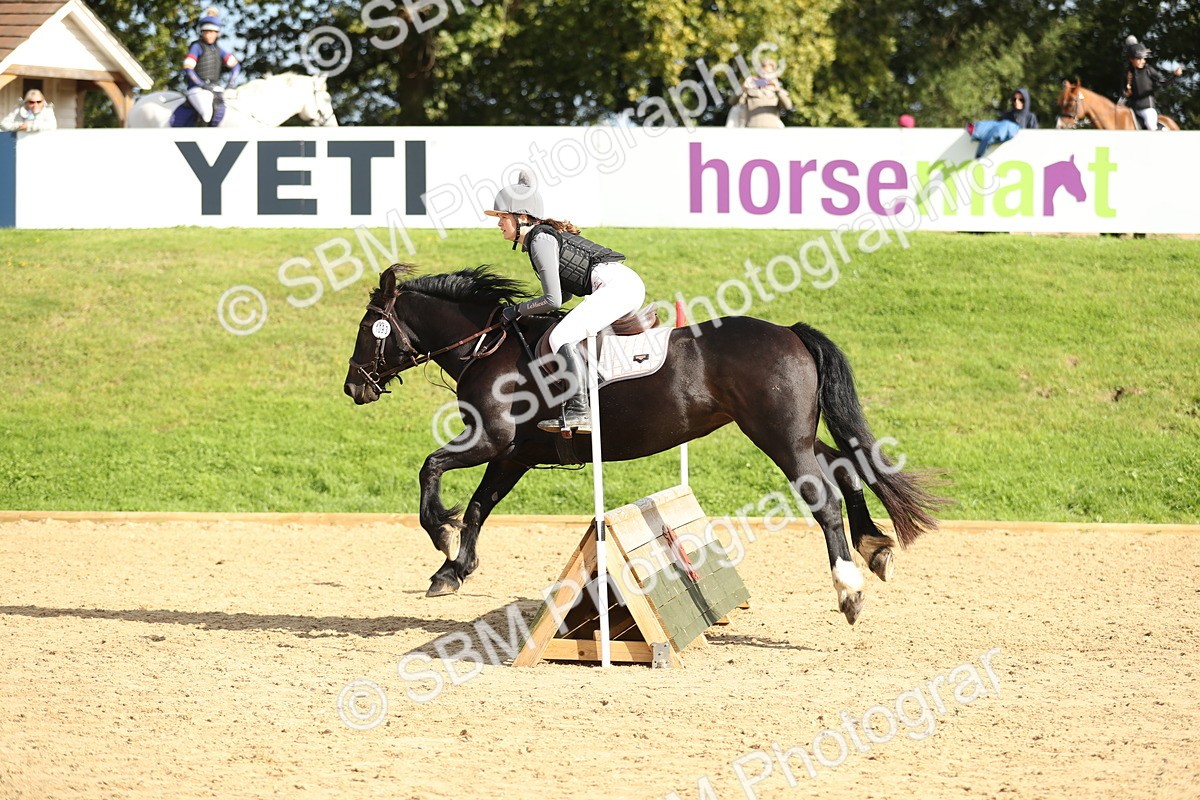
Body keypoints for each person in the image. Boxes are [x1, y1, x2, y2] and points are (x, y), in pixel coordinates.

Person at [485, 172, 646, 434]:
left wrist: (516, 310)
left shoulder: (540, 239)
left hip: (616, 287)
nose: (499, 224)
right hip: (620, 285)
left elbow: (553, 299)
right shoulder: (539, 239)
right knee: (565, 331)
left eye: (503, 217)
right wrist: (529, 310)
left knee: (559, 338)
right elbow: (565, 295)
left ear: (522, 217)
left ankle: (579, 410)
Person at [182, 7, 241, 127]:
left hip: (215, 88)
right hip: (197, 89)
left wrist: (230, 83)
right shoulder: (196, 47)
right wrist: (201, 84)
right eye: (206, 31)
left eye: (212, 32)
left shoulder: (219, 50)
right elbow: (188, 68)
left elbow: (236, 66)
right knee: (207, 113)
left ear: (217, 33)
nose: (209, 34)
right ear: (202, 32)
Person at [1122, 40, 1182, 131]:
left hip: (1147, 108)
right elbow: (1123, 91)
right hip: (1132, 109)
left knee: (1151, 125)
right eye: (1139, 59)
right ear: (1131, 60)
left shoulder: (1149, 70)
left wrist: (1174, 75)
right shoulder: (1128, 73)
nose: (1143, 61)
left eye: (1143, 59)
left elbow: (1163, 81)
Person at [965, 88, 1037, 159]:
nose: (1017, 102)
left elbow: (1035, 137)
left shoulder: (1030, 117)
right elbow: (997, 132)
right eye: (1015, 99)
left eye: (1021, 99)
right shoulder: (1007, 115)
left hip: (1023, 153)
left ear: (1026, 101)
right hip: (1004, 153)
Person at [736, 59, 793, 128]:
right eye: (763, 72)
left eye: (769, 73)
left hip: (772, 131)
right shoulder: (750, 88)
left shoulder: (778, 91)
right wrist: (743, 89)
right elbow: (732, 102)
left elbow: (788, 106)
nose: (766, 76)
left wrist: (777, 90)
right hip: (752, 130)